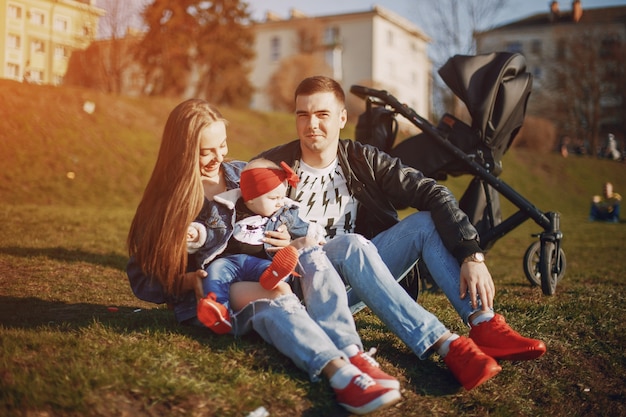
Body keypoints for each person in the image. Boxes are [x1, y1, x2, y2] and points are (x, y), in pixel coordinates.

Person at [255, 75, 547, 391]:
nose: (311, 124)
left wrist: (471, 254)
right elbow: (238, 226)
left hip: (358, 278)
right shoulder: (271, 165)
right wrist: (271, 244)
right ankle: (447, 346)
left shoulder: (362, 160)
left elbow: (433, 192)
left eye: (322, 114)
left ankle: (483, 323)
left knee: (423, 223)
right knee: (352, 243)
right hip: (305, 288)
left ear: (342, 118)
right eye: (303, 114)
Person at [126, 99, 401, 415]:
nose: (219, 156)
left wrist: (284, 236)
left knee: (313, 258)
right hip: (216, 293)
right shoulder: (168, 203)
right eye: (207, 152)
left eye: (223, 145)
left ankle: (352, 354)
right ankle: (340, 375)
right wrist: (186, 282)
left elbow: (279, 209)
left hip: (261, 268)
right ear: (184, 152)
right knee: (277, 295)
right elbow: (142, 275)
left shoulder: (239, 173)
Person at [189, 158, 326, 333]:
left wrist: (318, 237)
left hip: (260, 263)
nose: (280, 202)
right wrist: (196, 234)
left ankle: (275, 277)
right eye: (274, 197)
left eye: (282, 196)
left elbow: (305, 228)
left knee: (275, 269)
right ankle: (218, 312)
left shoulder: (284, 212)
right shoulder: (224, 207)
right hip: (228, 262)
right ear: (251, 198)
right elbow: (209, 229)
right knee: (214, 273)